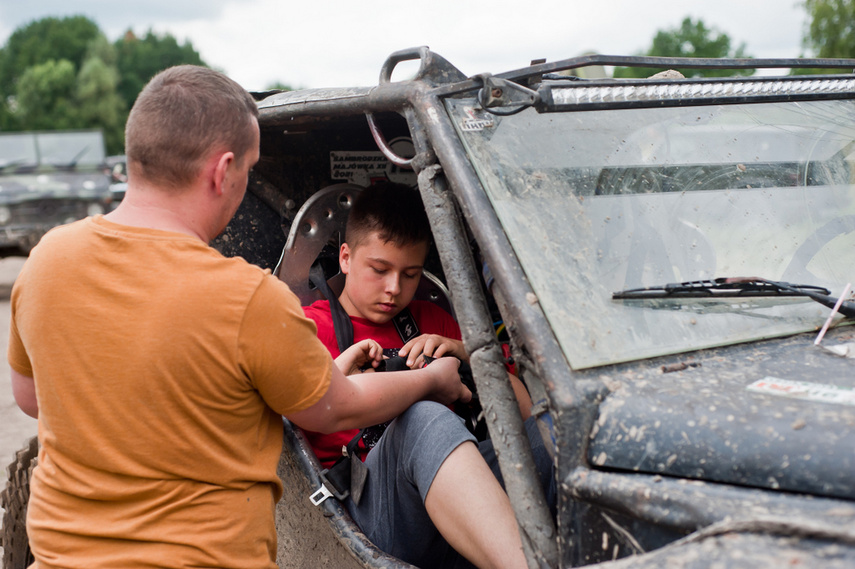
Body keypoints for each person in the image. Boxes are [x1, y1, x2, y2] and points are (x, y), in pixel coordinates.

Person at [8, 65, 468, 569]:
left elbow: (32, 400)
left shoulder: (48, 260)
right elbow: (334, 411)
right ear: (222, 170)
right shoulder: (247, 296)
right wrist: (432, 380)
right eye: (248, 170)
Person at [302, 181, 555, 569]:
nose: (394, 289)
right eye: (380, 270)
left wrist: (469, 358)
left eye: (410, 274)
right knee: (422, 418)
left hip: (461, 506)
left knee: (557, 427)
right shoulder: (307, 329)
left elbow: (524, 415)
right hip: (370, 513)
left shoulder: (433, 321)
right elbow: (306, 414)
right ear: (346, 257)